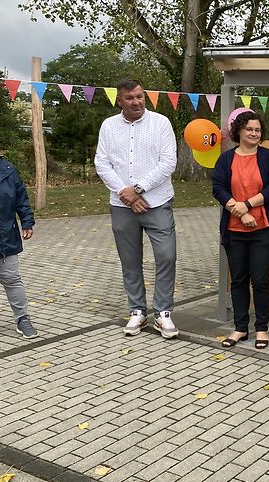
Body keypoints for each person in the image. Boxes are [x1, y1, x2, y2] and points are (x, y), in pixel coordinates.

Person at [94, 79, 179, 339]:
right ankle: (137, 311)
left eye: (140, 96)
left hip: (158, 202)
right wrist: (127, 195)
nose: (136, 102)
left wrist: (138, 189)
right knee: (130, 261)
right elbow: (102, 163)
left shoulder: (161, 122)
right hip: (122, 205)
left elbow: (168, 162)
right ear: (119, 100)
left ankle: (163, 312)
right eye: (130, 98)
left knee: (166, 255)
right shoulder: (109, 126)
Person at [212, 111, 269, 349]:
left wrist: (248, 205)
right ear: (239, 131)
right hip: (234, 230)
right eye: (250, 129)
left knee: (260, 280)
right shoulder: (225, 159)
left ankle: (261, 329)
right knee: (239, 280)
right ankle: (240, 328)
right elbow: (218, 188)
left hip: (263, 229)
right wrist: (241, 212)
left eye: (258, 130)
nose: (254, 133)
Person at [0, 124, 38, 339]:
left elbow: (21, 197)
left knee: (12, 280)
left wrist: (27, 221)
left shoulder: (7, 170)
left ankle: (23, 319)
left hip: (3, 238)